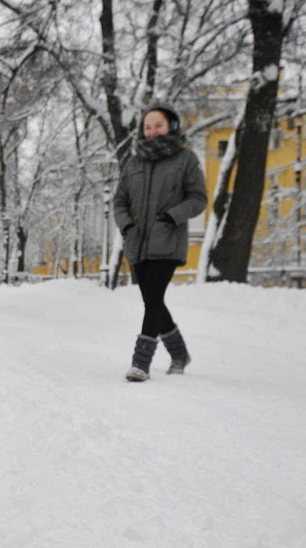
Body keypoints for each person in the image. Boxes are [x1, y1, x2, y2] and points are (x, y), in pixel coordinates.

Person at [113, 103, 208, 382]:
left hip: (167, 241)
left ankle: (140, 362)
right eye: (147, 127)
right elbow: (119, 202)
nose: (152, 131)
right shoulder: (133, 164)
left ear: (172, 126)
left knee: (153, 301)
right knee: (153, 300)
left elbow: (198, 199)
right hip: (137, 243)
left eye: (159, 125)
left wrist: (172, 216)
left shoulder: (186, 159)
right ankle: (179, 354)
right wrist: (127, 225)